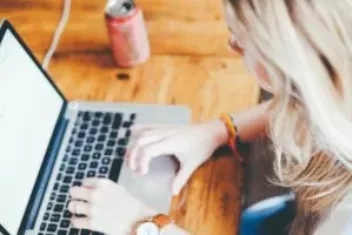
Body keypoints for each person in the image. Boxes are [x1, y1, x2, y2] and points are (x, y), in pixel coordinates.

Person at [67, 0, 352, 234]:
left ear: (285, 66)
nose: (232, 47)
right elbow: (304, 104)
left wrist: (140, 224)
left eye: (241, 41)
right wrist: (216, 131)